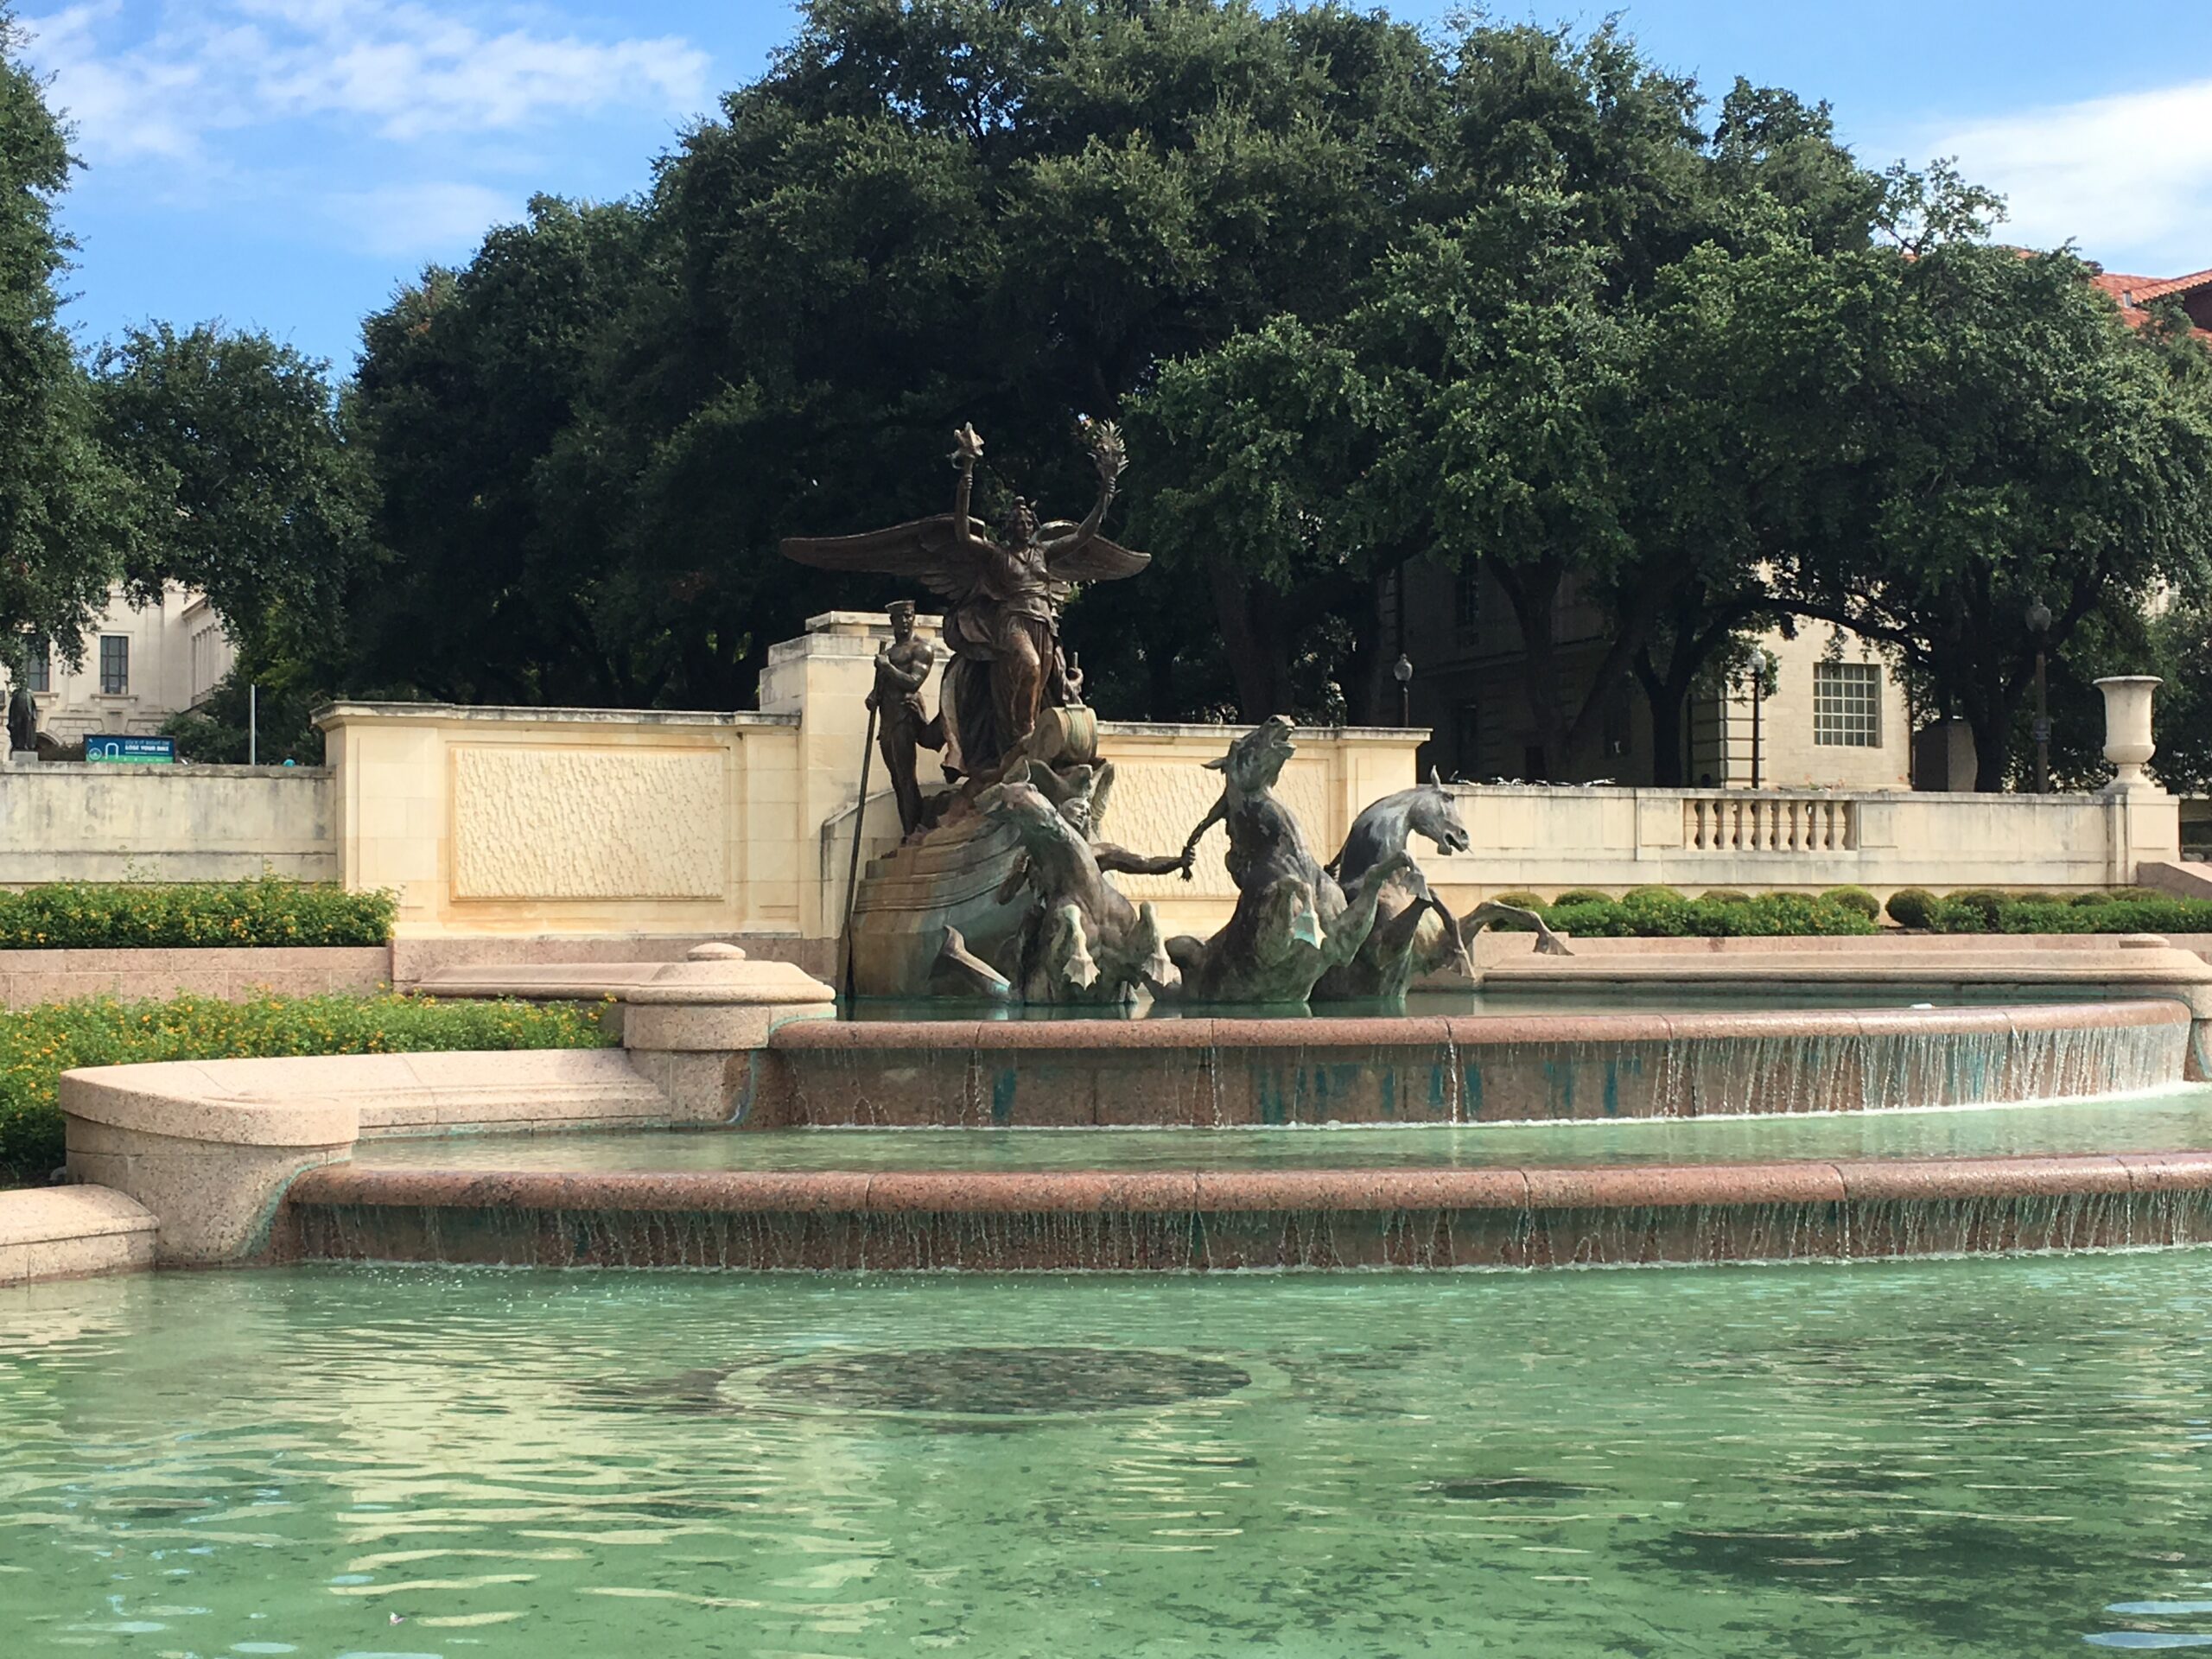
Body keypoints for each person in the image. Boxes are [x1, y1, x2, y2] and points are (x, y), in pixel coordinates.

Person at [870, 601, 944, 838]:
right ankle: (908, 829)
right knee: (897, 780)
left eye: (908, 616)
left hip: (905, 717)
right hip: (887, 720)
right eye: (899, 617)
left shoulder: (921, 649)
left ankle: (913, 831)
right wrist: (873, 697)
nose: (904, 621)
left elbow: (913, 682)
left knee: (906, 777)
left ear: (913, 617)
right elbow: (880, 689)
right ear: (891, 621)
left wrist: (887, 667)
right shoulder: (889, 652)